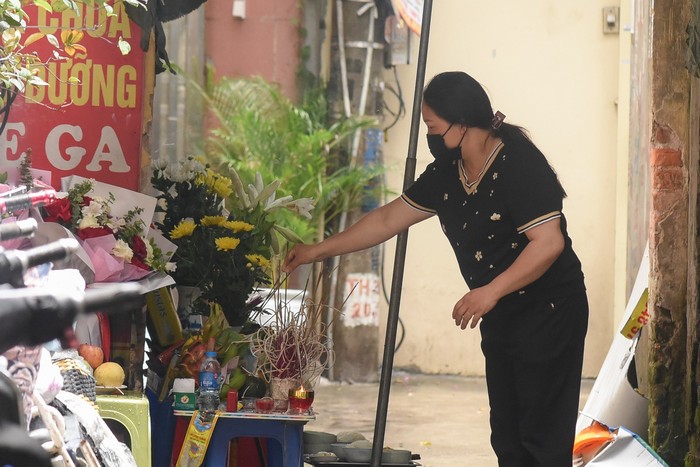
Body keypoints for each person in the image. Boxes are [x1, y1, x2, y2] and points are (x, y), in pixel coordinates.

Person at [282, 71, 588, 467]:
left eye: (434, 127)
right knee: (508, 437)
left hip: (550, 312)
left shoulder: (519, 164)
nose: (430, 137)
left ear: (463, 124)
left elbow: (549, 243)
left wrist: (489, 291)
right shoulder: (448, 172)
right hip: (501, 313)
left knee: (541, 439)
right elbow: (387, 220)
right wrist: (316, 251)